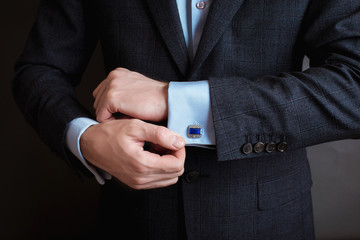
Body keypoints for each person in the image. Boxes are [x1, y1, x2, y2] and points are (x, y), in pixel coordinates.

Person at [12, 0, 360, 239]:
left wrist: (172, 99)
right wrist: (86, 139)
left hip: (268, 222)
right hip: (133, 221)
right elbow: (38, 70)